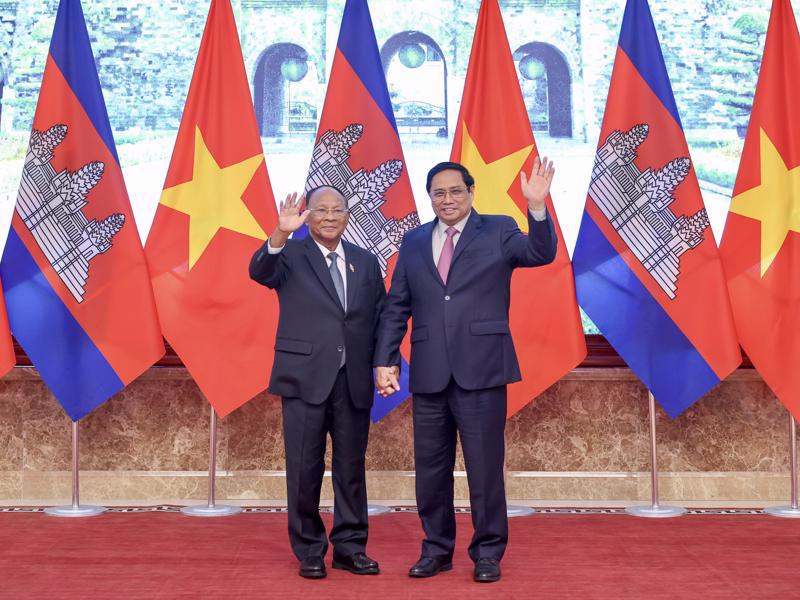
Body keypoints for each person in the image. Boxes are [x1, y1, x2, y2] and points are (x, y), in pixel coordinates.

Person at [374, 159, 557, 583]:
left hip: (482, 369)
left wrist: (538, 208)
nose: (448, 199)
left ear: (471, 192)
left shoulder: (498, 229)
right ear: (430, 198)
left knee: (484, 468)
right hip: (430, 372)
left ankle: (488, 552)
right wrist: (385, 360)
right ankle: (436, 550)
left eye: (455, 191)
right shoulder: (415, 240)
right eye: (439, 193)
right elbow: (397, 305)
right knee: (431, 470)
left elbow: (540, 253)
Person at [249, 186, 385, 580]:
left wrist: (384, 363)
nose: (329, 216)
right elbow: (259, 271)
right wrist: (280, 233)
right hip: (305, 378)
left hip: (353, 379)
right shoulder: (289, 254)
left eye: (336, 210)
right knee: (304, 469)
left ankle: (350, 548)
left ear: (347, 215)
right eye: (320, 210)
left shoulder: (365, 260)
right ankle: (309, 549)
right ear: (307, 215)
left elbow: (379, 317)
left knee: (351, 469)